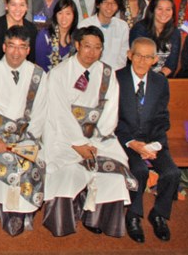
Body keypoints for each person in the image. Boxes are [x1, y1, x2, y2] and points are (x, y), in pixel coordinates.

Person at [41, 26, 137, 238]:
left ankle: (97, 218)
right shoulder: (58, 73)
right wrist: (77, 143)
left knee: (112, 174)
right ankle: (64, 221)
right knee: (66, 173)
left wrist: (95, 140)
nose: (91, 52)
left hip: (97, 138)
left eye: (97, 48)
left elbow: (111, 110)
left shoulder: (107, 73)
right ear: (77, 46)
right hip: (64, 138)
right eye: (87, 46)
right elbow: (58, 113)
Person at [0, 25, 48, 236]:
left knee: (28, 161)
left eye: (22, 47)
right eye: (11, 46)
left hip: (25, 138)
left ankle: (19, 212)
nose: (16, 52)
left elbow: (41, 112)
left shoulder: (38, 75)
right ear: (3, 47)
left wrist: (26, 141)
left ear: (28, 50)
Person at [117, 37, 180, 244]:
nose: (142, 61)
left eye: (148, 57)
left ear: (155, 60)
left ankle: (159, 214)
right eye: (138, 56)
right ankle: (133, 216)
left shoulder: (160, 82)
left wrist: (155, 145)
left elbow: (162, 117)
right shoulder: (118, 79)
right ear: (129, 55)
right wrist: (132, 143)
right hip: (126, 140)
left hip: (153, 140)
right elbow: (113, 119)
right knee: (139, 171)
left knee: (172, 173)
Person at [129, 0, 181, 76]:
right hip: (139, 75)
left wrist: (159, 78)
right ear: (152, 10)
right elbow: (138, 60)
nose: (164, 13)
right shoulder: (139, 29)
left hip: (162, 77)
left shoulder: (175, 32)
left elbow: (171, 64)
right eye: (160, 9)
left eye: (168, 9)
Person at [80, 0, 130, 70]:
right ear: (98, 4)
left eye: (114, 3)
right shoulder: (85, 25)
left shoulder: (122, 26)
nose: (109, 6)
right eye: (105, 2)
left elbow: (123, 56)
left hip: (115, 73)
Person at [34, 0, 77, 72]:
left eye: (68, 13)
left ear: (74, 16)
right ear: (55, 15)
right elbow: (40, 66)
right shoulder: (44, 35)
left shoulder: (77, 37)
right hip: (47, 79)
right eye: (60, 13)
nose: (64, 17)